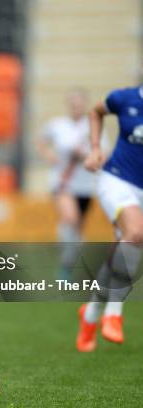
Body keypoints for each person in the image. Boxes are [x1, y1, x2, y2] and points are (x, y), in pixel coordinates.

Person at [76, 83, 143, 352]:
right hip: (117, 178)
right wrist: (95, 148)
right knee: (136, 234)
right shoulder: (123, 98)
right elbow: (96, 112)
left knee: (125, 245)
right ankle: (113, 314)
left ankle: (90, 314)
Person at [35, 88, 105, 281]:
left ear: (84, 105)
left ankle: (66, 264)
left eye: (79, 104)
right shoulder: (58, 125)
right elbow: (41, 141)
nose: (76, 108)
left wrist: (86, 155)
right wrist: (49, 155)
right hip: (63, 183)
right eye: (73, 104)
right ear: (69, 105)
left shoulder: (93, 126)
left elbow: (102, 156)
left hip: (86, 185)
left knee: (77, 233)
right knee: (71, 219)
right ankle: (65, 251)